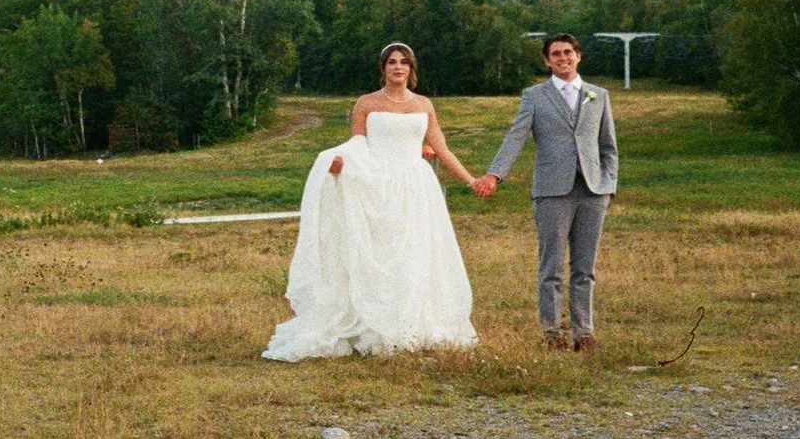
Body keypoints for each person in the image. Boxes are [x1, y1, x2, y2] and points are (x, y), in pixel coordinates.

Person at [261, 43, 481, 362]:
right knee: (380, 252)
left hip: (416, 188)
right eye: (392, 62)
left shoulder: (423, 104)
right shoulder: (366, 103)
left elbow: (442, 149)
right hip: (376, 184)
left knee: (415, 254)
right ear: (383, 68)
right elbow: (357, 144)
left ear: (411, 69)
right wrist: (338, 163)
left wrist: (471, 180)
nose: (398, 67)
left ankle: (412, 323)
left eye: (404, 62)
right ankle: (373, 323)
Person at [473, 32, 619, 351]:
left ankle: (584, 333)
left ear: (578, 56)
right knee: (551, 267)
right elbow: (515, 137)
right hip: (552, 192)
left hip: (592, 191)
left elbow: (608, 146)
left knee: (584, 268)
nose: (563, 58)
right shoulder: (535, 96)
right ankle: (552, 333)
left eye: (568, 52)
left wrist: (608, 184)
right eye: (556, 54)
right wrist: (495, 174)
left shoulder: (598, 95)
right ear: (547, 61)